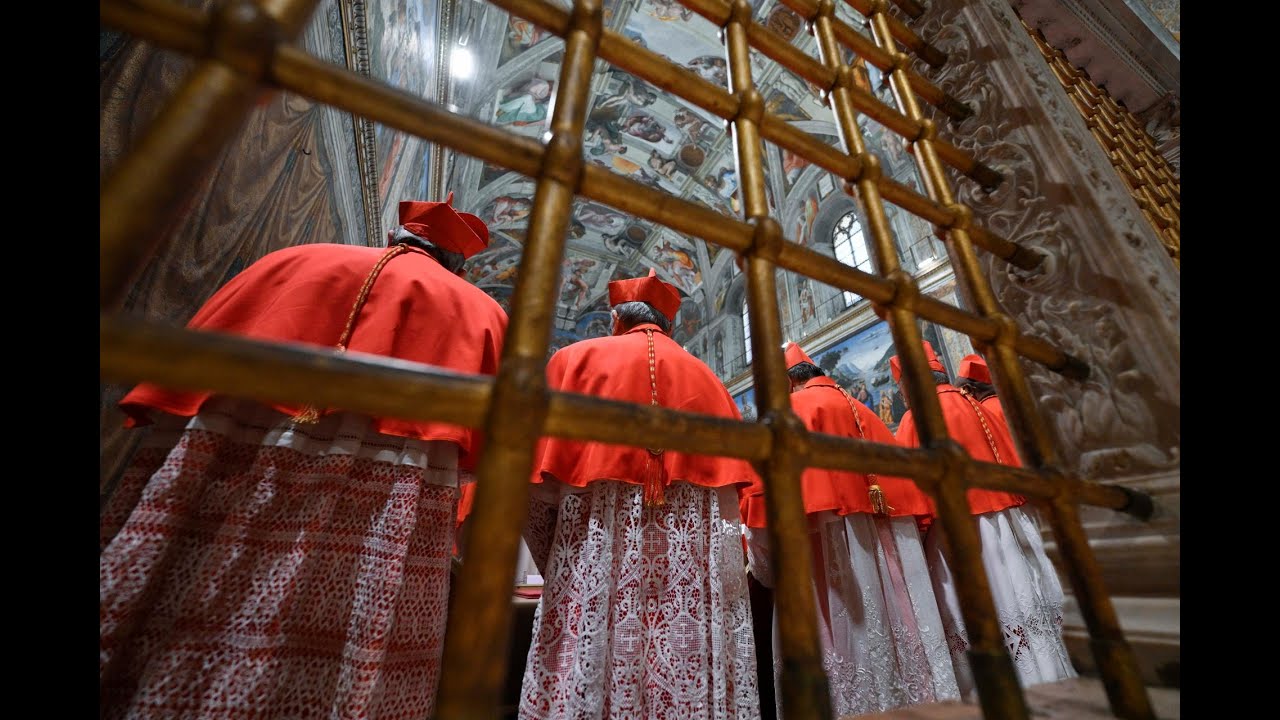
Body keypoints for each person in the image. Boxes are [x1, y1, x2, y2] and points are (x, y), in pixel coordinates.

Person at [100, 193, 508, 720]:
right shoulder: (479, 312)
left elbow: (187, 383)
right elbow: (486, 453)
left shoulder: (293, 261)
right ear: (458, 263)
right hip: (380, 511)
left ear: (396, 235)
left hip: (231, 467)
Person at [518, 269, 762, 719]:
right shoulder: (710, 381)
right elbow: (729, 513)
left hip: (594, 576)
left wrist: (561, 565)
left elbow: (537, 498)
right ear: (669, 324)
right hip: (688, 595)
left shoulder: (575, 361)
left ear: (616, 319)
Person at [739, 343, 959, 718]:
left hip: (822, 560)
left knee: (841, 650)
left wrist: (762, 564)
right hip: (882, 557)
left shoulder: (791, 412)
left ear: (790, 382)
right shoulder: (865, 410)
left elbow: (765, 512)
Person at [890, 341, 1075, 697]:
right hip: (1007, 521)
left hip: (962, 531)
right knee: (1021, 601)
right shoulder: (975, 403)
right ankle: (1047, 674)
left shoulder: (918, 417)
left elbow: (915, 487)